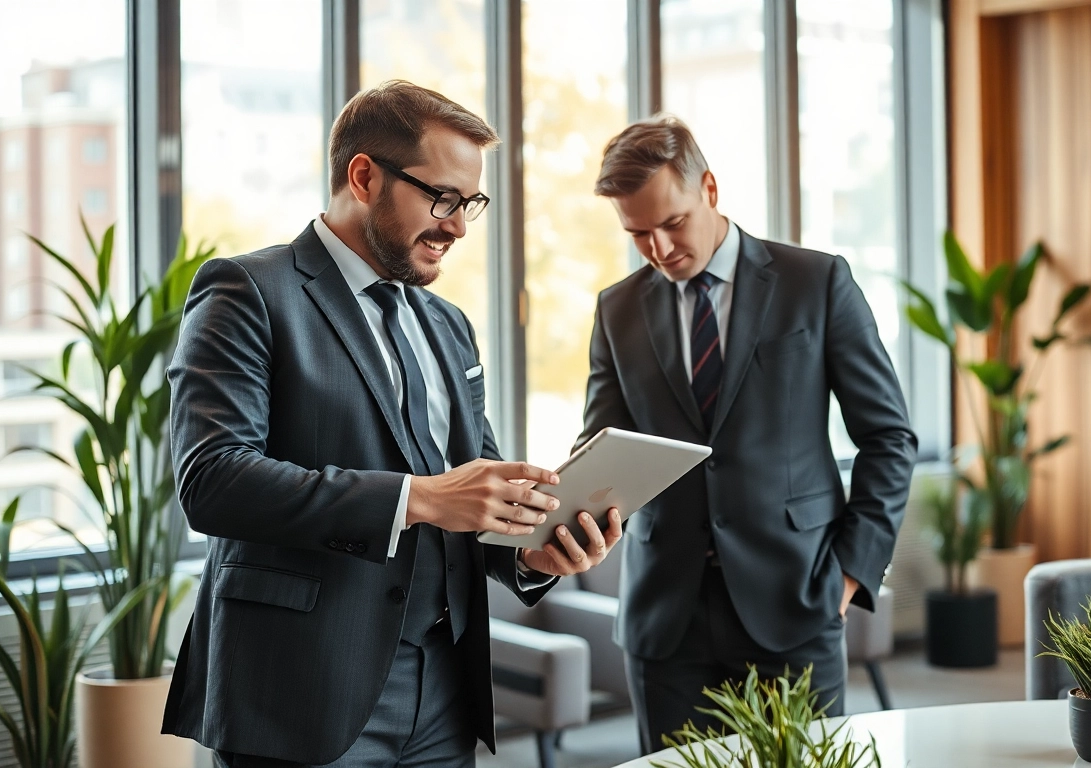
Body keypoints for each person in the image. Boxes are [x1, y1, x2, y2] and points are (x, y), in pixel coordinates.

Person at [163, 80, 621, 768]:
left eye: (470, 204)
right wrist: (419, 497)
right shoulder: (247, 291)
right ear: (363, 177)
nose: (459, 226)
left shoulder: (449, 326)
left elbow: (475, 494)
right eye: (442, 198)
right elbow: (214, 481)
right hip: (302, 690)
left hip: (443, 690)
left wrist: (533, 553)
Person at [579, 115, 918, 752]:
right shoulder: (617, 308)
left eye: (672, 222)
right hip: (666, 618)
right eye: (638, 234)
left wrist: (850, 574)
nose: (659, 248)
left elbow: (888, 437)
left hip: (796, 599)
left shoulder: (815, 282)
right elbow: (602, 445)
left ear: (708, 189)